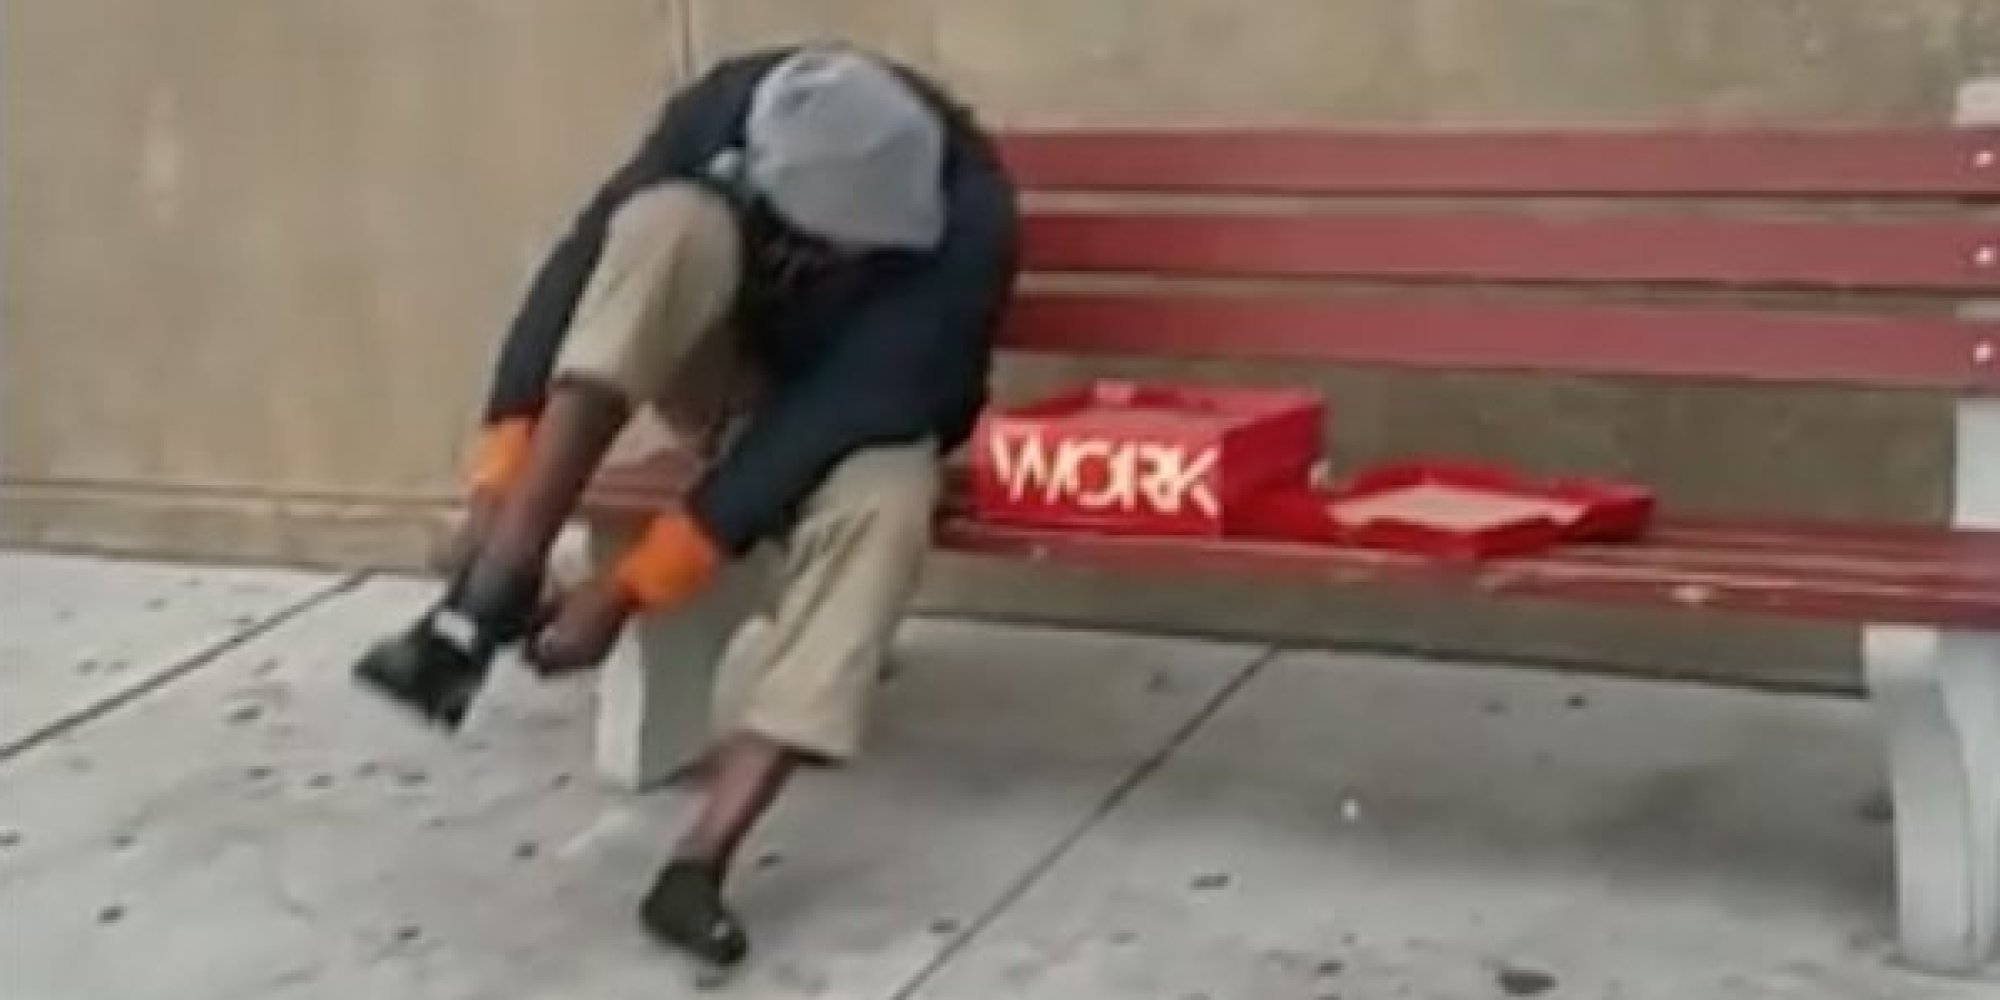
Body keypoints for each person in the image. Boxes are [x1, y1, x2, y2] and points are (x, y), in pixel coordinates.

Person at [350, 42, 1019, 968]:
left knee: (891, 501)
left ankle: (700, 863)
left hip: (864, 423)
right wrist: (495, 486)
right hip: (728, 373)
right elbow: (578, 273)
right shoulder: (730, 110)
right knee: (663, 223)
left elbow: (820, 428)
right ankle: (488, 595)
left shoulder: (969, 227)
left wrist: (631, 589)